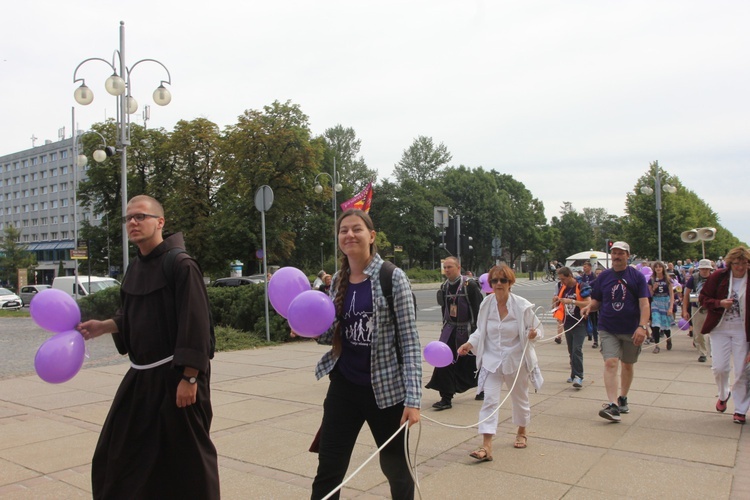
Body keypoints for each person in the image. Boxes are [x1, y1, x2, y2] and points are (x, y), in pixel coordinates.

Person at [77, 195, 219, 499]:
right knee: (117, 453)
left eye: (141, 216)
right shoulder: (135, 268)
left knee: (186, 460)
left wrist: (190, 377)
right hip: (141, 378)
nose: (133, 222)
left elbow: (195, 324)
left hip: (178, 378)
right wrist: (104, 326)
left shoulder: (180, 264)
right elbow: (135, 317)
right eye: (128, 218)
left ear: (160, 222)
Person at [311, 209, 421, 499]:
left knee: (396, 469)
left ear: (371, 236)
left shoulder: (392, 278)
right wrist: (308, 325)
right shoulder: (337, 280)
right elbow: (330, 334)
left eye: (357, 229)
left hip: (385, 392)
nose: (350, 234)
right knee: (329, 467)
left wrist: (413, 399)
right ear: (338, 239)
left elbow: (409, 342)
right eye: (344, 230)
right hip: (344, 388)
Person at [457, 265, 544, 458]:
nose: (498, 284)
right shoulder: (486, 304)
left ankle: (522, 431)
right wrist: (469, 344)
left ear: (510, 283)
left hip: (516, 360)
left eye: (503, 280)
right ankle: (486, 446)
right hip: (492, 360)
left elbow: (539, 329)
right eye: (494, 281)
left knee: (520, 399)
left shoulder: (522, 306)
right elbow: (481, 331)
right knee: (489, 400)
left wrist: (533, 334)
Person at [581, 241, 650, 423]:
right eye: (614, 253)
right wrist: (589, 307)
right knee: (611, 362)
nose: (617, 257)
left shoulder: (637, 277)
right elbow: (597, 301)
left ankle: (623, 397)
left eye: (621, 253)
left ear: (628, 255)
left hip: (631, 329)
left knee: (627, 364)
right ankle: (612, 405)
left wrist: (642, 326)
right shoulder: (604, 277)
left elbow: (644, 303)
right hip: (608, 327)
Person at [699, 246, 750, 424]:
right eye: (737, 264)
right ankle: (723, 394)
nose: (741, 268)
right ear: (730, 263)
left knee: (742, 371)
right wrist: (719, 303)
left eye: (744, 264)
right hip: (719, 328)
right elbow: (703, 298)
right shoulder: (719, 276)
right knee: (719, 367)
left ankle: (740, 409)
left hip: (742, 331)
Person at [426, 256, 483, 410]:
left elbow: (479, 310)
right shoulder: (444, 286)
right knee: (443, 360)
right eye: (445, 267)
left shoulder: (469, 285)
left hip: (467, 330)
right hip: (450, 329)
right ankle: (446, 397)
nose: (447, 270)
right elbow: (445, 310)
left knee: (471, 362)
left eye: (450, 267)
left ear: (459, 267)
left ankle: (483, 386)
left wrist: (477, 332)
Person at [553, 266, 591, 388]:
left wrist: (573, 302)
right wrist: (556, 301)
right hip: (568, 321)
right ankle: (574, 373)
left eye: (563, 279)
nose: (562, 282)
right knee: (571, 349)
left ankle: (579, 376)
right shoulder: (563, 287)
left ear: (570, 276)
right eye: (560, 279)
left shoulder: (581, 286)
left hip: (579, 321)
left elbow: (588, 302)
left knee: (577, 349)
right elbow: (558, 303)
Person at [682, 259, 713, 362]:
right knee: (698, 332)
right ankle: (702, 352)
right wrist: (684, 310)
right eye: (702, 268)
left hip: (711, 307)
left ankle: (713, 352)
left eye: (706, 269)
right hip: (697, 307)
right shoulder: (693, 279)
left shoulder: (714, 278)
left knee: (713, 332)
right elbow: (686, 294)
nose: (704, 271)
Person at [649, 261, 674, 353]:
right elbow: (649, 294)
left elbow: (671, 294)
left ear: (663, 268)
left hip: (665, 302)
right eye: (656, 267)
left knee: (665, 325)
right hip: (655, 302)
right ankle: (657, 345)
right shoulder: (651, 280)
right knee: (655, 324)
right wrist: (654, 288)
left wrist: (671, 307)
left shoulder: (667, 280)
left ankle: (668, 338)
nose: (658, 268)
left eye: (660, 267)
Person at [579, 261, 600, 348]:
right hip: (586, 300)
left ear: (590, 267)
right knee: (587, 319)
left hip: (595, 301)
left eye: (586, 267)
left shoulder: (594, 277)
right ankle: (589, 334)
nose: (584, 268)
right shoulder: (582, 277)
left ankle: (595, 340)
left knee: (595, 321)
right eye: (583, 267)